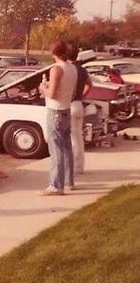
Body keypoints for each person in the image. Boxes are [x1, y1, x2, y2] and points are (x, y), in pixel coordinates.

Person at [39, 41, 77, 195]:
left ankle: (56, 185)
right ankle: (69, 182)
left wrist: (43, 88)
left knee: (56, 149)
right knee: (67, 148)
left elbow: (52, 94)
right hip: (66, 110)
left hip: (55, 112)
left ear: (52, 52)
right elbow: (72, 93)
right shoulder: (72, 68)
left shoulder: (56, 69)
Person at [67, 43, 92, 179]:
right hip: (79, 104)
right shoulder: (82, 70)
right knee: (78, 137)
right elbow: (90, 84)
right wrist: (82, 95)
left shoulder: (68, 69)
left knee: (70, 138)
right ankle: (79, 167)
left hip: (70, 105)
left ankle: (72, 167)